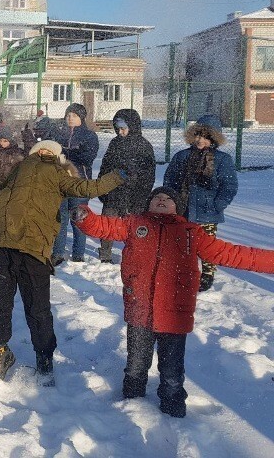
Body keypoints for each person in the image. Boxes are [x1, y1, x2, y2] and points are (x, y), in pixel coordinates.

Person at [74, 187, 274, 418]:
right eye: (157, 197)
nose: (162, 199)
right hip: (140, 308)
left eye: (168, 199)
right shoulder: (134, 224)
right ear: (148, 204)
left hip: (174, 313)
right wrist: (86, 217)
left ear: (178, 208)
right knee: (136, 365)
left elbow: (231, 253)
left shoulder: (191, 232)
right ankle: (131, 400)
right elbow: (104, 226)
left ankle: (172, 405)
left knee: (171, 370)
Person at [0, 140, 125, 385]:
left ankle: (44, 357)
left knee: (37, 307)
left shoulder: (59, 173)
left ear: (56, 156)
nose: (43, 151)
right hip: (2, 243)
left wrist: (116, 177)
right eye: (39, 149)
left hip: (33, 248)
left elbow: (87, 188)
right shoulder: (19, 169)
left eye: (49, 150)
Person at [163, 114, 238, 291]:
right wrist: (173, 203)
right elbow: (170, 180)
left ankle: (208, 273)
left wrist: (217, 205)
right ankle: (186, 270)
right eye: (197, 135)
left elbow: (230, 185)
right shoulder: (182, 156)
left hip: (208, 212)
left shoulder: (222, 160)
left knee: (207, 244)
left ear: (213, 139)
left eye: (205, 136)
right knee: (183, 243)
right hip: (184, 209)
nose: (200, 140)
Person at [96, 109, 156, 263]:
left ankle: (134, 253)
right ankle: (105, 253)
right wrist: (101, 187)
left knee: (132, 228)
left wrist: (140, 197)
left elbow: (148, 176)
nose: (120, 132)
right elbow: (105, 166)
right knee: (108, 224)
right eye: (118, 129)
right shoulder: (115, 143)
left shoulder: (144, 146)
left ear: (133, 127)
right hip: (113, 193)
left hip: (133, 196)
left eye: (123, 128)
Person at [52, 103, 99, 265]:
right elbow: (51, 154)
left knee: (78, 218)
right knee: (60, 218)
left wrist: (66, 152)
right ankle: (58, 252)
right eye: (68, 115)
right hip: (61, 183)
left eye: (74, 115)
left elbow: (87, 157)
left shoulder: (89, 136)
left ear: (81, 118)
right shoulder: (59, 135)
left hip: (79, 184)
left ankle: (78, 254)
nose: (70, 118)